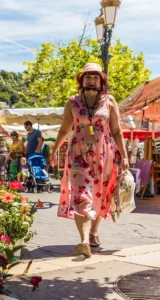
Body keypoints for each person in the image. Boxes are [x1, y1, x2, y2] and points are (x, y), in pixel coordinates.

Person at [50, 63, 129, 258]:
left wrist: (125, 155)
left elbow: (117, 131)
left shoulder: (109, 101)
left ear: (101, 80)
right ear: (81, 80)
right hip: (78, 154)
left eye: (95, 77)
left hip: (104, 154)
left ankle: (94, 233)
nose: (91, 80)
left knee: (101, 196)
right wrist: (54, 151)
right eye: (88, 76)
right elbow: (64, 129)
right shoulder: (72, 102)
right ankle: (84, 240)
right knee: (80, 194)